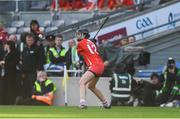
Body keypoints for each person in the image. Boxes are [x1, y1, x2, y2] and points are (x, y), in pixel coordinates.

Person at [76, 29, 110, 109]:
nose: (77, 36)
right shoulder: (92, 43)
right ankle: (105, 103)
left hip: (94, 65)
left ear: (83, 35)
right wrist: (91, 41)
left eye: (79, 34)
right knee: (91, 86)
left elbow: (80, 55)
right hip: (100, 66)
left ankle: (82, 103)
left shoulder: (80, 43)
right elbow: (90, 49)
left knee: (81, 82)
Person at [21, 33, 43, 98]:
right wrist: (22, 72)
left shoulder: (38, 48)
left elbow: (41, 60)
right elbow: (23, 61)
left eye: (30, 40)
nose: (29, 41)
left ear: (33, 40)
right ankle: (26, 101)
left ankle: (33, 100)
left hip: (34, 72)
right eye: (28, 40)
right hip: (25, 73)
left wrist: (39, 69)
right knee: (26, 87)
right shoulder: (25, 49)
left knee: (33, 87)